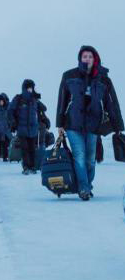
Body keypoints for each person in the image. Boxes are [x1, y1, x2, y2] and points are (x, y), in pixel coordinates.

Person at [56, 45, 124, 200]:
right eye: (84, 56)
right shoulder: (69, 76)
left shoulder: (104, 79)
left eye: (90, 56)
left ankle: (87, 184)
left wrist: (118, 125)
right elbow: (62, 100)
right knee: (79, 155)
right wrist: (60, 123)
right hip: (73, 124)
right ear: (80, 58)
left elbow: (112, 104)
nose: (87, 59)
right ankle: (83, 188)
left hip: (94, 125)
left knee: (90, 159)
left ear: (95, 59)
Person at [9, 79, 46, 174]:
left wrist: (38, 100)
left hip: (33, 128)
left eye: (32, 88)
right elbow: (10, 110)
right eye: (29, 88)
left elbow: (43, 109)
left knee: (32, 149)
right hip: (21, 128)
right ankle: (26, 167)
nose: (31, 89)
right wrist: (13, 123)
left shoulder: (34, 99)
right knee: (24, 148)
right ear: (25, 88)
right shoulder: (18, 99)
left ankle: (33, 167)